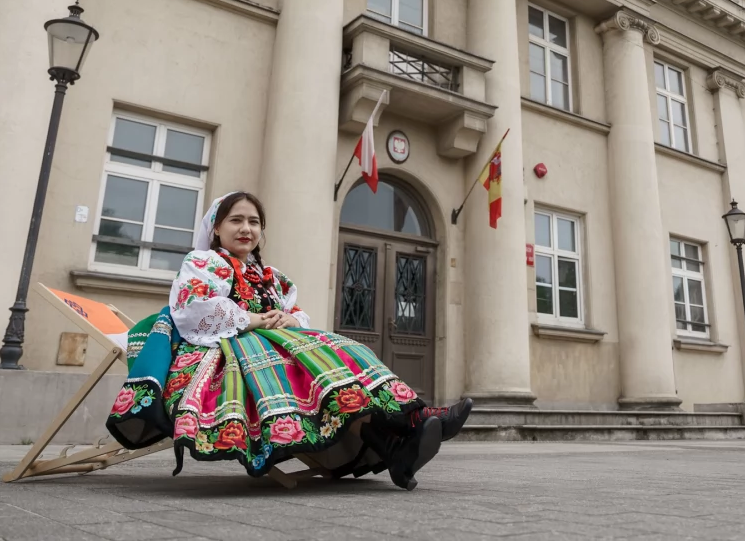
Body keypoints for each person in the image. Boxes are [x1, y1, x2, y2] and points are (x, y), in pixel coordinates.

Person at [106, 191, 472, 490]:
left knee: (345, 350)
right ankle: (396, 444)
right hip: (223, 348)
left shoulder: (269, 276)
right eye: (236, 220)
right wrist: (249, 319)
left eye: (253, 222)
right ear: (216, 229)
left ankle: (411, 423)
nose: (246, 228)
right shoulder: (204, 263)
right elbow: (191, 307)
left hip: (276, 340)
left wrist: (288, 317)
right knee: (308, 366)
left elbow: (297, 312)